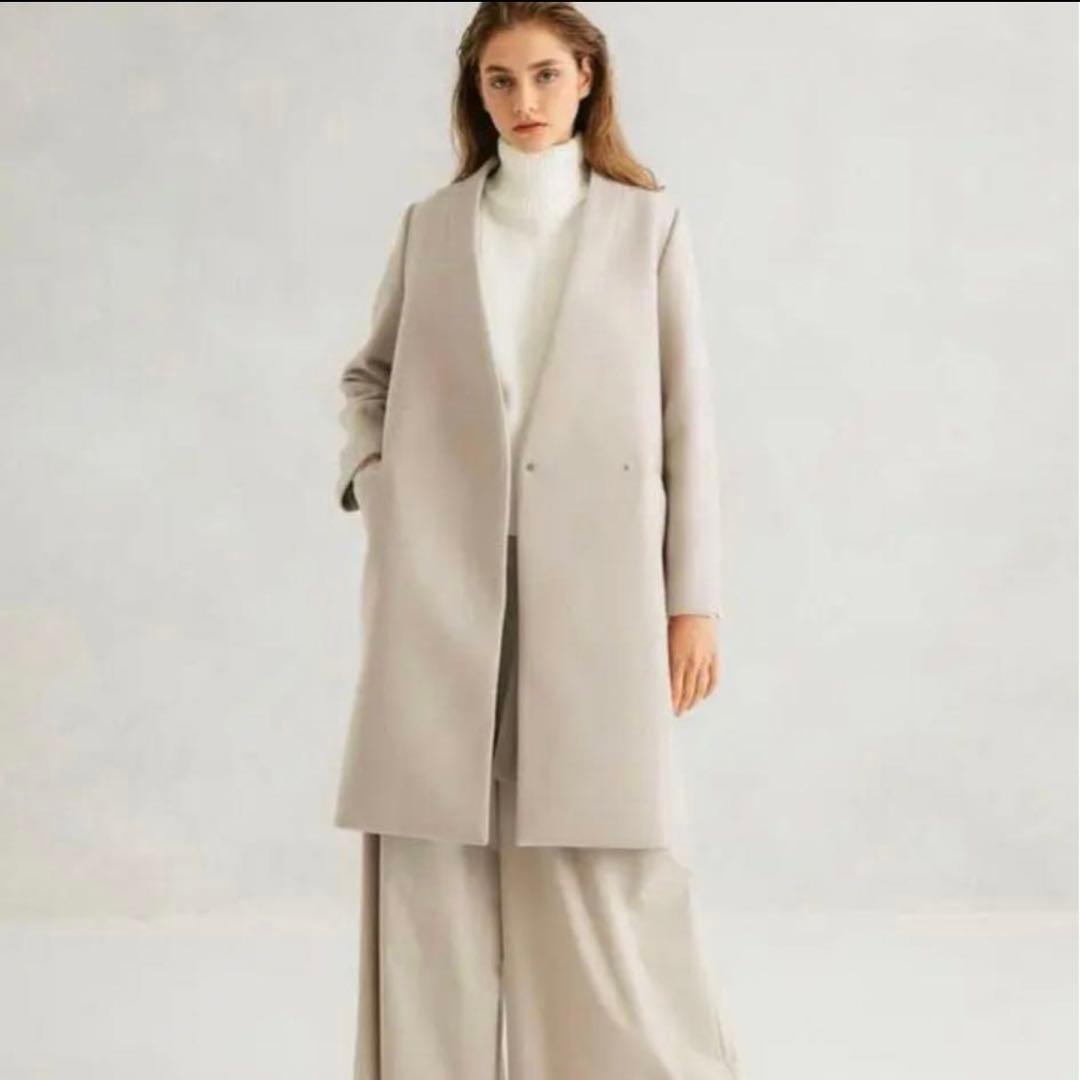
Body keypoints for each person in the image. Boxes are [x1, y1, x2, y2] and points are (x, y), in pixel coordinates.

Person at [335, 4, 742, 1078]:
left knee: (603, 861)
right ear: (476, 91)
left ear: (588, 78)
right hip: (439, 584)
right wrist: (379, 484)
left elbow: (688, 421)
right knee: (429, 863)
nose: (524, 100)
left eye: (546, 75)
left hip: (599, 589)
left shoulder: (647, 227)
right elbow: (368, 376)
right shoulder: (431, 226)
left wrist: (692, 600)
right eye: (501, 80)